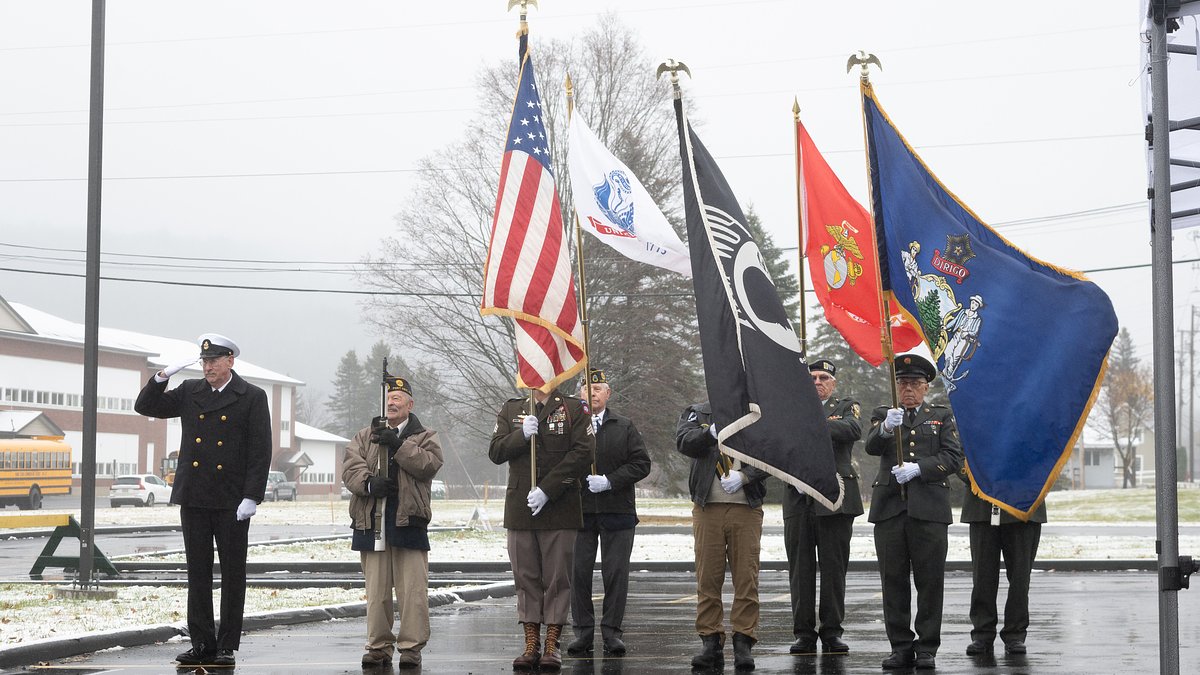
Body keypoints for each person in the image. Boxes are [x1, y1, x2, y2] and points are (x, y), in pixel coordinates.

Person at [134, 334, 271, 668]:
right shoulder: (190, 392)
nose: (208, 367)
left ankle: (226, 644)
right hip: (195, 495)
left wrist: (252, 495)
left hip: (231, 501)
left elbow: (260, 449)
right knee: (197, 573)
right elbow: (145, 406)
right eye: (204, 362)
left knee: (232, 574)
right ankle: (201, 642)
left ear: (230, 362)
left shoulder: (251, 396)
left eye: (214, 361)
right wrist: (163, 377)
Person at [864, 353, 963, 671]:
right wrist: (884, 429)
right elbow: (871, 447)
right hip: (891, 509)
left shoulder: (942, 416)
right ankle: (901, 647)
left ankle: (927, 648)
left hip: (930, 510)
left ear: (926, 387)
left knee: (930, 581)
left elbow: (953, 457)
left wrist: (920, 468)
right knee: (893, 581)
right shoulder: (884, 413)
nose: (908, 389)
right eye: (903, 383)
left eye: (915, 383)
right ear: (896, 386)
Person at [489, 385, 594, 671]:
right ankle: (531, 642)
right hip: (521, 508)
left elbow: (584, 452)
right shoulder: (512, 409)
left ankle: (552, 643)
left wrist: (548, 489)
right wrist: (520, 436)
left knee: (557, 578)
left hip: (559, 506)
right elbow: (496, 451)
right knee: (526, 577)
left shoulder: (574, 409)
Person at [342, 374, 443, 669]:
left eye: (398, 398)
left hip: (408, 521)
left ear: (410, 404)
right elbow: (351, 467)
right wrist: (369, 483)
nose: (392, 403)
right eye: (388, 399)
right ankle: (378, 646)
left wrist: (398, 445)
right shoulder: (365, 435)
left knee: (412, 591)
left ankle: (411, 647)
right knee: (376, 592)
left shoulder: (425, 436)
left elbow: (428, 465)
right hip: (371, 521)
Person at [676, 401, 768, 670]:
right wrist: (709, 433)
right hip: (708, 507)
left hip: (745, 507)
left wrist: (746, 476)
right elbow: (683, 441)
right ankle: (710, 641)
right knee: (708, 577)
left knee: (746, 577)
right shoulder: (699, 411)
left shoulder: (757, 413)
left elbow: (773, 454)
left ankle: (743, 640)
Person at [566, 369, 652, 657]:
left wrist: (610, 480)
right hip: (580, 512)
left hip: (617, 511)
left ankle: (612, 633)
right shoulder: (571, 426)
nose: (592, 393)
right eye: (586, 387)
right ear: (579, 393)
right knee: (578, 574)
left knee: (616, 574)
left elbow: (641, 463)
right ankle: (583, 633)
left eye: (598, 388)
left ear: (608, 393)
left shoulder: (623, 426)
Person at [783, 359, 863, 654]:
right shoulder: (791, 406)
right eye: (813, 377)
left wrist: (811, 422)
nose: (817, 382)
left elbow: (851, 429)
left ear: (833, 384)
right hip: (799, 496)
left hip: (835, 498)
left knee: (833, 569)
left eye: (824, 378)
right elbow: (781, 439)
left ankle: (832, 631)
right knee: (800, 570)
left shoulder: (846, 405)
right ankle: (804, 633)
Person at [960, 474, 1046, 657]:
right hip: (982, 502)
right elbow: (960, 452)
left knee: (1020, 579)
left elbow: (1044, 451)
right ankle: (982, 633)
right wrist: (979, 477)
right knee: (983, 575)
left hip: (1024, 500)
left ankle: (1015, 634)